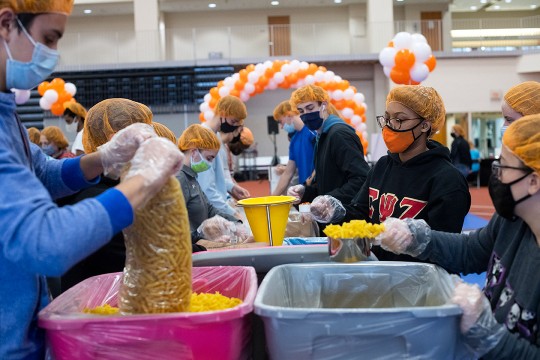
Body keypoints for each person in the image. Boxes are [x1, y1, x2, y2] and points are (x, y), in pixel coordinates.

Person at [0, 3, 183, 357]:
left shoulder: (8, 116)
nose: (52, 55)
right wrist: (142, 182)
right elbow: (46, 242)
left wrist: (102, 158)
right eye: (47, 39)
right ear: (7, 23)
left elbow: (41, 172)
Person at [375, 114, 540, 359]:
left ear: (533, 181)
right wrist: (416, 238)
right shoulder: (512, 220)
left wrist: (488, 332)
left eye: (502, 167)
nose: (496, 176)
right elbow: (471, 250)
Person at [307, 85, 471, 265]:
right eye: (387, 119)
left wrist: (410, 240)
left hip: (418, 282)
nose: (390, 126)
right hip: (377, 271)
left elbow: (444, 247)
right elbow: (361, 214)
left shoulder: (448, 180)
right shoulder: (382, 166)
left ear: (425, 125)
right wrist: (337, 211)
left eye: (399, 120)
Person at [59, 99, 178, 292]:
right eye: (148, 138)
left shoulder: (115, 186)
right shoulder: (97, 197)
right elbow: (146, 257)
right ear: (119, 140)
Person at [286, 84, 370, 223]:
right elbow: (327, 183)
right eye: (301, 110)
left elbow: (362, 179)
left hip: (347, 221)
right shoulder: (322, 136)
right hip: (332, 219)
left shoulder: (339, 134)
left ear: (324, 105)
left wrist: (329, 200)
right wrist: (305, 192)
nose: (306, 114)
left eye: (310, 108)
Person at [177, 124, 249, 248]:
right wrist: (201, 234)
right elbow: (174, 228)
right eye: (209, 158)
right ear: (194, 151)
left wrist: (234, 223)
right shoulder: (180, 179)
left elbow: (209, 208)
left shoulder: (192, 177)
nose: (210, 164)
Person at [197, 95, 251, 217]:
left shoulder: (216, 137)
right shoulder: (205, 137)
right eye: (233, 121)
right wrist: (231, 213)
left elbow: (216, 177)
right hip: (210, 208)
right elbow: (206, 187)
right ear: (222, 112)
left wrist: (232, 187)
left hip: (217, 205)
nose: (234, 127)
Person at [271, 100, 316, 196]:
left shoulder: (313, 133)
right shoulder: (294, 140)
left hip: (318, 189)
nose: (282, 127)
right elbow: (287, 173)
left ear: (288, 115)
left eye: (280, 121)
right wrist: (271, 199)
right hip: (304, 192)